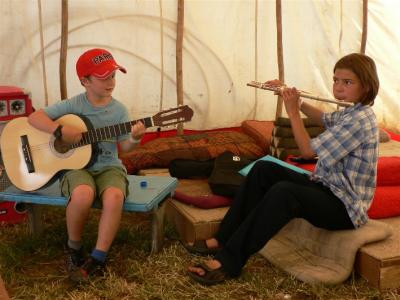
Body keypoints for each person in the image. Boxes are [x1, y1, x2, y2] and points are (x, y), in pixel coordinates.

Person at [186, 53, 380, 285]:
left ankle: (229, 262)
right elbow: (326, 119)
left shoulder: (359, 120)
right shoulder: (352, 111)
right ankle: (223, 238)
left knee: (284, 192)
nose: (338, 87)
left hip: (344, 209)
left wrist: (292, 112)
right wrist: (293, 97)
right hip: (328, 188)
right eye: (336, 80)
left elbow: (307, 151)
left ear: (366, 86)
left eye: (347, 82)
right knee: (264, 169)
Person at [28, 48, 146, 283]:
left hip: (109, 166)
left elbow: (124, 147)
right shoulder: (73, 105)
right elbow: (34, 118)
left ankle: (98, 257)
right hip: (76, 168)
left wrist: (134, 138)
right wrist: (59, 130)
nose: (111, 82)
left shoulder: (119, 110)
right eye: (103, 78)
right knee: (82, 194)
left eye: (113, 76)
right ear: (85, 81)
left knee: (114, 196)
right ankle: (74, 248)